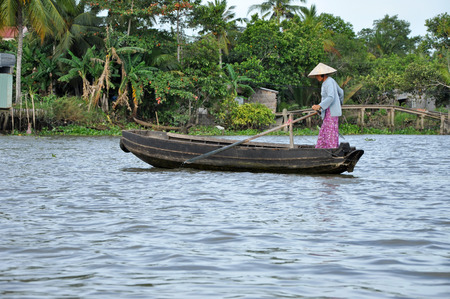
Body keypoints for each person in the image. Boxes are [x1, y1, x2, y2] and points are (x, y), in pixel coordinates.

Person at [308, 63, 344, 149]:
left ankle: (331, 150)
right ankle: (321, 149)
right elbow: (341, 92)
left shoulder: (329, 82)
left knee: (330, 132)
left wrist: (319, 106)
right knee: (325, 130)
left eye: (317, 75)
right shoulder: (329, 81)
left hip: (331, 112)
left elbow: (331, 97)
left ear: (322, 75)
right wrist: (339, 105)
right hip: (330, 111)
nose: (316, 77)